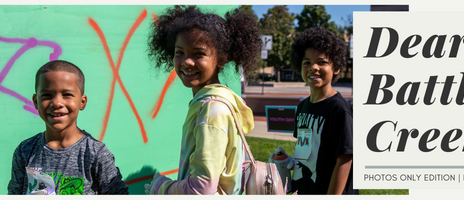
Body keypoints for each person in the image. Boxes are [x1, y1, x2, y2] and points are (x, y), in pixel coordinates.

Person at [144, 5, 262, 195]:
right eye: (179, 52)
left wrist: (161, 187)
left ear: (221, 58)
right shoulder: (216, 102)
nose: (187, 61)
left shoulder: (211, 111)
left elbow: (201, 190)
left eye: (199, 53)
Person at [7, 60, 129, 195]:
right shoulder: (25, 151)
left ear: (82, 102)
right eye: (47, 95)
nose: (57, 103)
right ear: (36, 102)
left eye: (67, 95)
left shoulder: (96, 154)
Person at [284, 26, 358, 194]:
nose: (313, 67)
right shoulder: (302, 107)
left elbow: (345, 160)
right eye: (307, 62)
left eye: (322, 62)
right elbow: (305, 152)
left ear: (336, 67)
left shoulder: (339, 109)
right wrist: (288, 162)